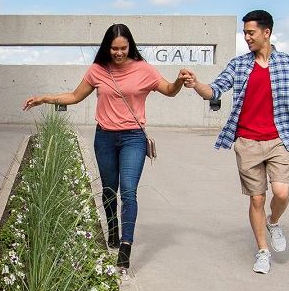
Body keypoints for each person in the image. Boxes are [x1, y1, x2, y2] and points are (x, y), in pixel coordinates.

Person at [22, 23, 184, 274]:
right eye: (114, 48)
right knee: (109, 190)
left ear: (130, 46)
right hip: (105, 138)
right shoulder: (98, 70)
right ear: (107, 47)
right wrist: (44, 98)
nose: (118, 53)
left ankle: (126, 247)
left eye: (123, 48)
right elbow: (74, 96)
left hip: (133, 138)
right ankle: (112, 228)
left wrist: (179, 81)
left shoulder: (144, 69)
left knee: (128, 190)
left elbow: (170, 91)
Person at [179, 9, 289, 274]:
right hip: (247, 142)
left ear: (267, 33)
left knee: (281, 193)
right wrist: (196, 84)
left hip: (278, 139)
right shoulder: (239, 65)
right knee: (257, 199)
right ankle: (263, 251)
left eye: (251, 32)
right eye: (244, 33)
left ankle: (273, 221)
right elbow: (214, 90)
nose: (246, 37)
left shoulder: (287, 63)